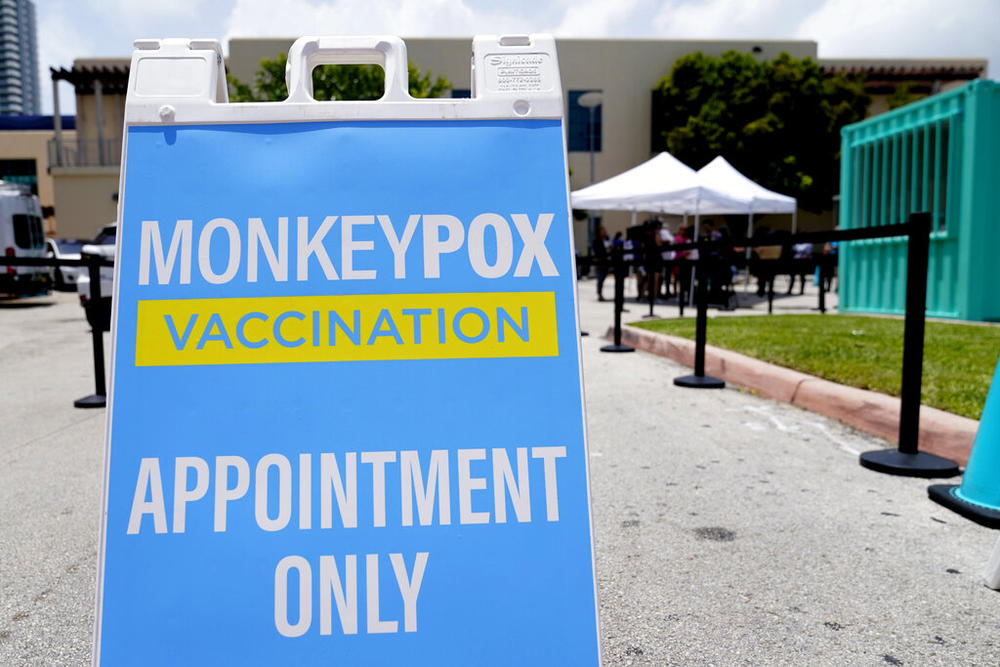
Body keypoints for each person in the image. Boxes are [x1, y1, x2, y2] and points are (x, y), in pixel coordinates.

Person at [591, 226, 610, 301]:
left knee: (603, 277)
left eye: (604, 230)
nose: (604, 232)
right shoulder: (596, 240)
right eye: (602, 231)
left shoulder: (607, 239)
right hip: (599, 262)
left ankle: (600, 293)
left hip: (606, 261)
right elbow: (595, 250)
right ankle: (599, 293)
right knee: (600, 278)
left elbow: (609, 247)